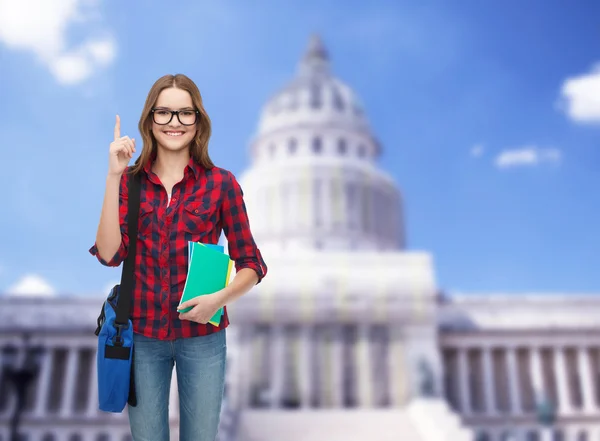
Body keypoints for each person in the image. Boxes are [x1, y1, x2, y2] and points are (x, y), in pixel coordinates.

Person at [89, 73, 267, 441]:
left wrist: (219, 300)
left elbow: (251, 263)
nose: (174, 123)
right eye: (164, 113)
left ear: (198, 121)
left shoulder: (222, 184)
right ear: (149, 121)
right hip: (143, 337)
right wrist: (113, 175)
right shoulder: (129, 182)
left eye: (185, 114)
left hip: (202, 337)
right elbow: (109, 254)